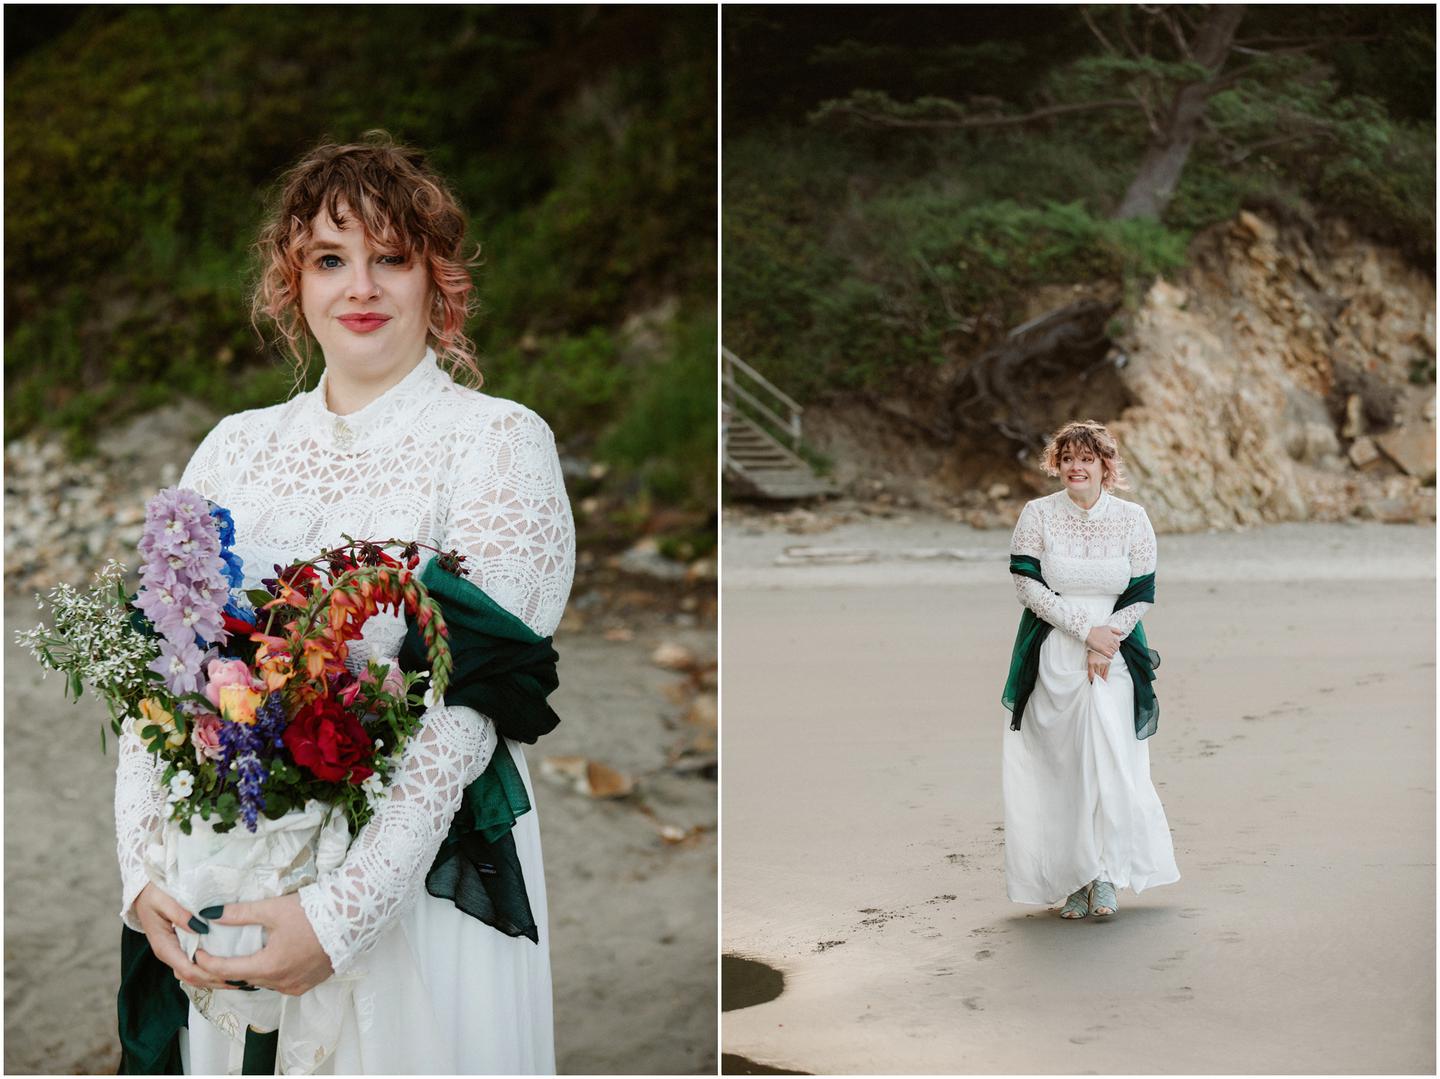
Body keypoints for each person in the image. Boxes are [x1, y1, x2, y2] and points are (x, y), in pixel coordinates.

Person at [113, 132, 575, 1072]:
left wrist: (338, 915)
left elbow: (467, 711)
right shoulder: (233, 447)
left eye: (390, 257)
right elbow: (155, 672)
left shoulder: (497, 443)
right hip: (225, 882)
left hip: (413, 898)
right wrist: (141, 872)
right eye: (331, 259)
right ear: (295, 284)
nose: (360, 285)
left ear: (437, 280)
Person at [1001, 420, 1178, 919]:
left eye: (1087, 458)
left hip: (1116, 657)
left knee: (1112, 763)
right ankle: (1072, 876)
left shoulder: (1132, 518)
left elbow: (1142, 591)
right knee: (1063, 769)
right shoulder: (1036, 515)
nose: (1076, 467)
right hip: (1054, 654)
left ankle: (1105, 876)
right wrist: (1085, 631)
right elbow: (1026, 585)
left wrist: (1106, 642)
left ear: (1105, 466)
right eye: (1068, 458)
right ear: (1056, 464)